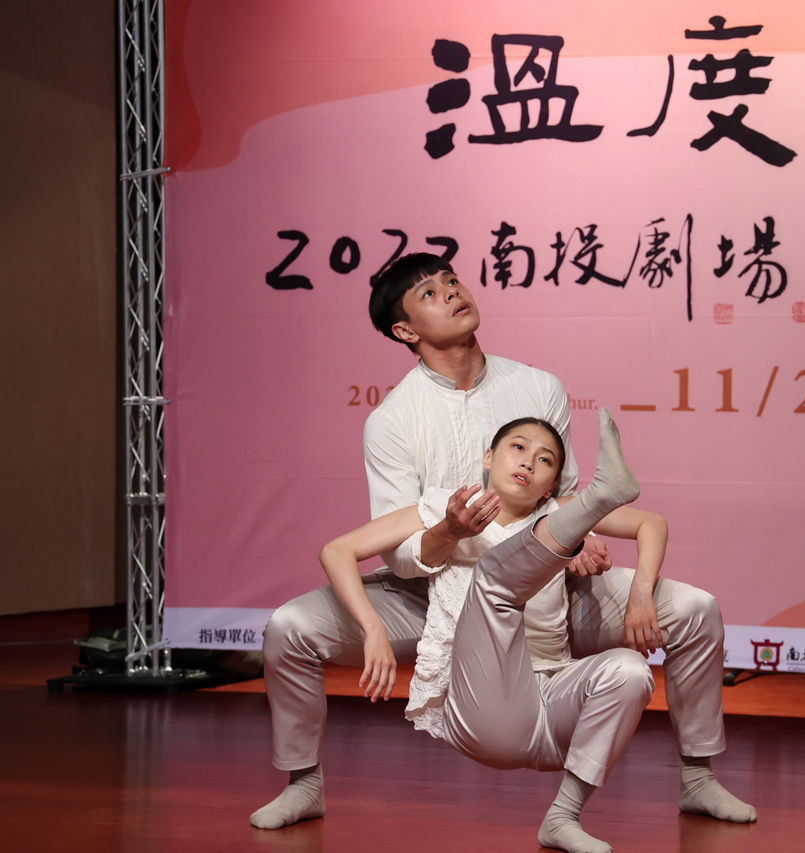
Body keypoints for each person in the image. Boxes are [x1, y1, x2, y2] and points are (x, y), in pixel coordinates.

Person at [251, 253, 753, 830]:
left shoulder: (537, 386)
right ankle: (304, 783)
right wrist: (447, 533)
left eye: (451, 281)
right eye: (429, 293)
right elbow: (400, 555)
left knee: (694, 609)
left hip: (546, 585)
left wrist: (583, 538)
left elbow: (564, 496)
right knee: (291, 627)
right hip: (431, 595)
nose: (451, 292)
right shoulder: (392, 420)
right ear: (406, 332)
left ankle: (698, 777)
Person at [322, 412, 658, 853]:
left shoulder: (557, 516)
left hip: (552, 712)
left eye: (545, 459)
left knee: (630, 670)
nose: (529, 462)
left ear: (551, 486)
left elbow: (653, 523)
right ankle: (601, 496)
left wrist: (640, 594)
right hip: (483, 711)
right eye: (518, 447)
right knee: (492, 583)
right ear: (488, 457)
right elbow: (338, 550)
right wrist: (373, 630)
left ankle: (563, 817)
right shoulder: (447, 506)